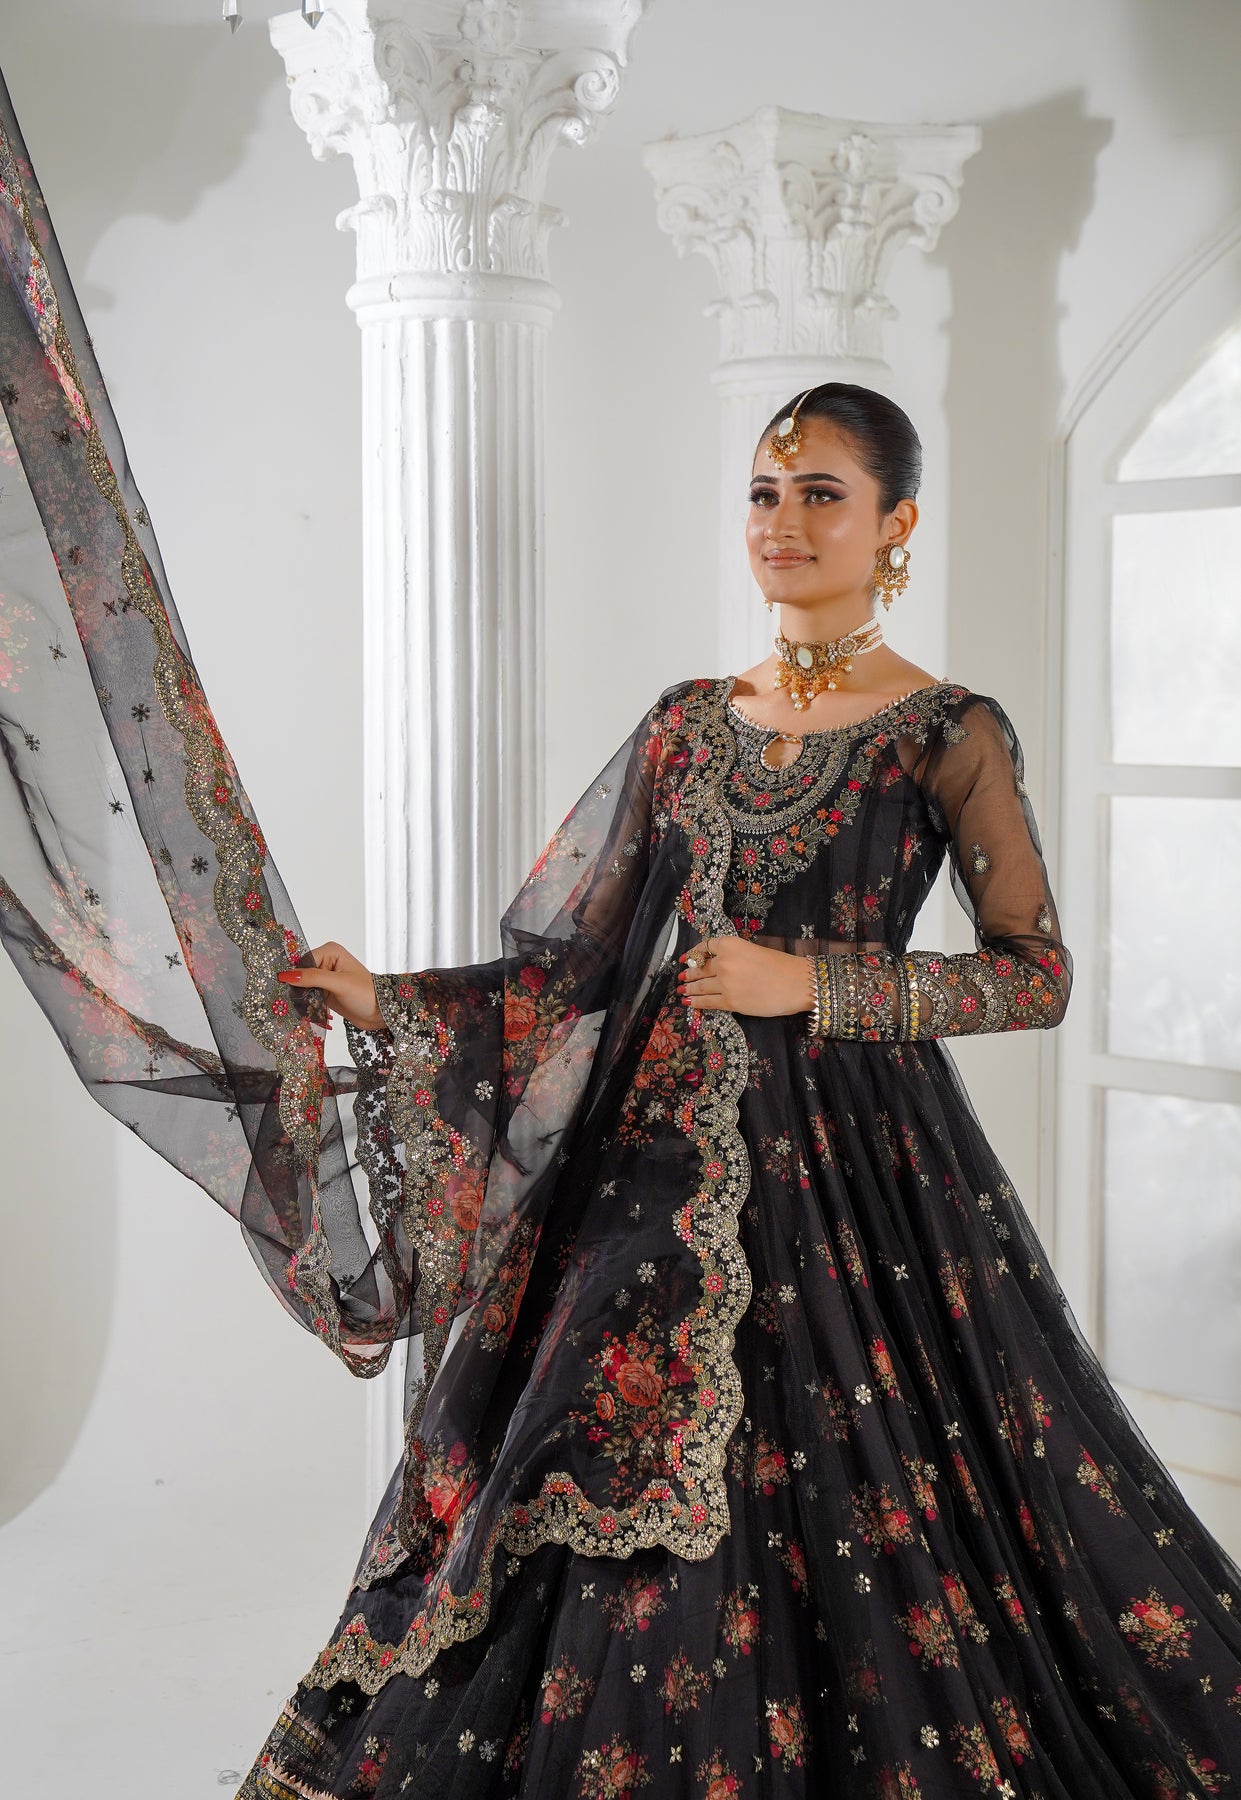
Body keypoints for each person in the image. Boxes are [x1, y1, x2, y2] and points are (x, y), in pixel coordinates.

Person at [1, 69, 1239, 1800]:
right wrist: (388, 999)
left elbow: (1034, 975)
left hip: (863, 1170)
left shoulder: (943, 731)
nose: (782, 525)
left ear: (894, 524)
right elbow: (571, 972)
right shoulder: (683, 724)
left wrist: (819, 981)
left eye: (821, 495)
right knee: (576, 1451)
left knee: (887, 1475)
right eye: (763, 492)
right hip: (645, 1162)